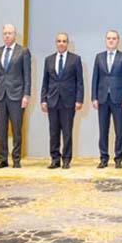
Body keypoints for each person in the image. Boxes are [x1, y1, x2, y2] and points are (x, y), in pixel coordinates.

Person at [0, 24, 31, 168]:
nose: (7, 36)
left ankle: (16, 159)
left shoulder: (23, 51)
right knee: (1, 129)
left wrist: (26, 95)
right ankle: (2, 159)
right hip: (0, 96)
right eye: (5, 33)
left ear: (15, 35)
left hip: (17, 96)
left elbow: (27, 75)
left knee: (16, 129)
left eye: (10, 33)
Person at [40, 33, 83, 169]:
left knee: (67, 132)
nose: (61, 43)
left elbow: (79, 82)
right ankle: (55, 159)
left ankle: (66, 159)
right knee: (53, 132)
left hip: (68, 101)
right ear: (56, 43)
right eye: (59, 41)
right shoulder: (49, 60)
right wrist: (43, 99)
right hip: (52, 100)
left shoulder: (75, 59)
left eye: (64, 41)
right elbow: (45, 81)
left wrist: (79, 99)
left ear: (67, 43)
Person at [91, 30, 122, 169]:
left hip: (118, 99)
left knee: (119, 130)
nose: (111, 40)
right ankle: (103, 158)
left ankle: (118, 158)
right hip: (102, 98)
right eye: (109, 38)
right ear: (105, 40)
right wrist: (94, 97)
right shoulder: (99, 57)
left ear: (118, 41)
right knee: (103, 130)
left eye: (114, 38)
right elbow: (95, 78)